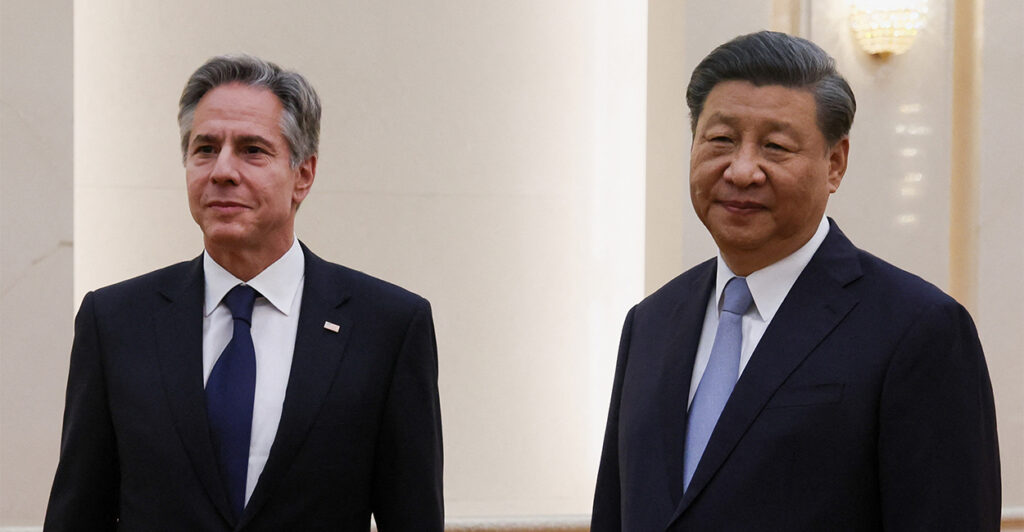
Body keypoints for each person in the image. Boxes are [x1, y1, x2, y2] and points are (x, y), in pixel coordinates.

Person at [591, 31, 1000, 531]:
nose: (741, 170)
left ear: (835, 163)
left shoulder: (918, 329)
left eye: (775, 146)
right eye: (720, 140)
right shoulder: (650, 323)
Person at [44, 54, 443, 531]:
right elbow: (77, 514)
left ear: (304, 174)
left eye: (252, 149)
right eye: (205, 149)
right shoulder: (114, 321)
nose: (222, 171)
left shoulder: (388, 327)